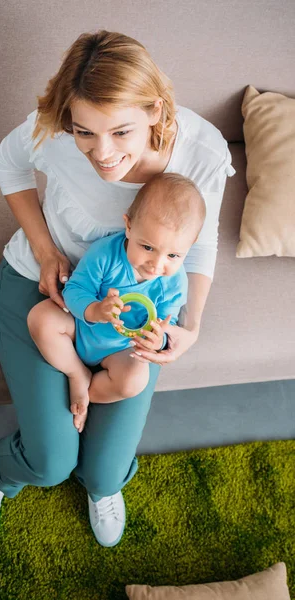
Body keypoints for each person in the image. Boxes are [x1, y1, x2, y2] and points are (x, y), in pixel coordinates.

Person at [0, 29, 235, 549]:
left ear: (156, 110)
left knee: (106, 473)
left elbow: (199, 243)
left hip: (128, 322)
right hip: (50, 294)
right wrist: (45, 250)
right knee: (49, 462)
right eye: (85, 132)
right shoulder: (58, 130)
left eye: (120, 132)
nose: (102, 154)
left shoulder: (201, 152)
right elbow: (9, 162)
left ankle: (102, 483)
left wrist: (189, 327)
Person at [27, 173, 206, 434]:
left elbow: (168, 324)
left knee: (134, 382)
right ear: (129, 227)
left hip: (121, 349)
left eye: (173, 255)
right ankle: (77, 374)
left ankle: (90, 393)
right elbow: (75, 290)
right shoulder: (105, 253)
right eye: (147, 247)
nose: (157, 264)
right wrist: (95, 310)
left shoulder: (174, 283)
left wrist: (157, 342)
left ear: (190, 247)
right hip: (81, 327)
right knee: (41, 318)